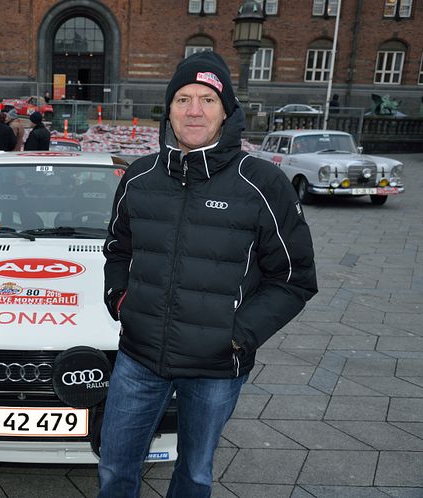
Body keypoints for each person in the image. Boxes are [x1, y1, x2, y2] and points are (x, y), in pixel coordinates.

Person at [98, 50, 317, 497]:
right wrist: (120, 301)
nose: (194, 110)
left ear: (226, 111)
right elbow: (118, 249)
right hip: (139, 358)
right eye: (182, 99)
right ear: (169, 110)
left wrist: (237, 334)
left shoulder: (261, 183)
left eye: (207, 99)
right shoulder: (139, 177)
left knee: (195, 475)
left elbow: (294, 277)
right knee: (115, 468)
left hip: (216, 366)